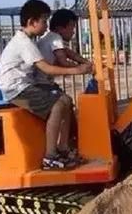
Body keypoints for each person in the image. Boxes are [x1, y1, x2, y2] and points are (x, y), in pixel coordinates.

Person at [0, 0, 93, 170]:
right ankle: (50, 156)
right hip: (16, 89)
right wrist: (78, 70)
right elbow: (46, 68)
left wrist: (82, 64)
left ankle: (62, 148)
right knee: (58, 104)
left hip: (25, 85)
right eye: (44, 21)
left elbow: (64, 53)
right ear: (32, 22)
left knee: (65, 101)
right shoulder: (24, 43)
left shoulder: (31, 40)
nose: (46, 25)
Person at [36, 9, 93, 161]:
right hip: (41, 84)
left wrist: (87, 63)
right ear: (61, 28)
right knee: (63, 104)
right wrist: (81, 69)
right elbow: (63, 60)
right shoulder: (55, 38)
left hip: (44, 82)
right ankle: (55, 150)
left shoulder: (52, 38)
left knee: (67, 102)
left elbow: (70, 53)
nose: (74, 32)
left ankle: (63, 145)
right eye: (72, 28)